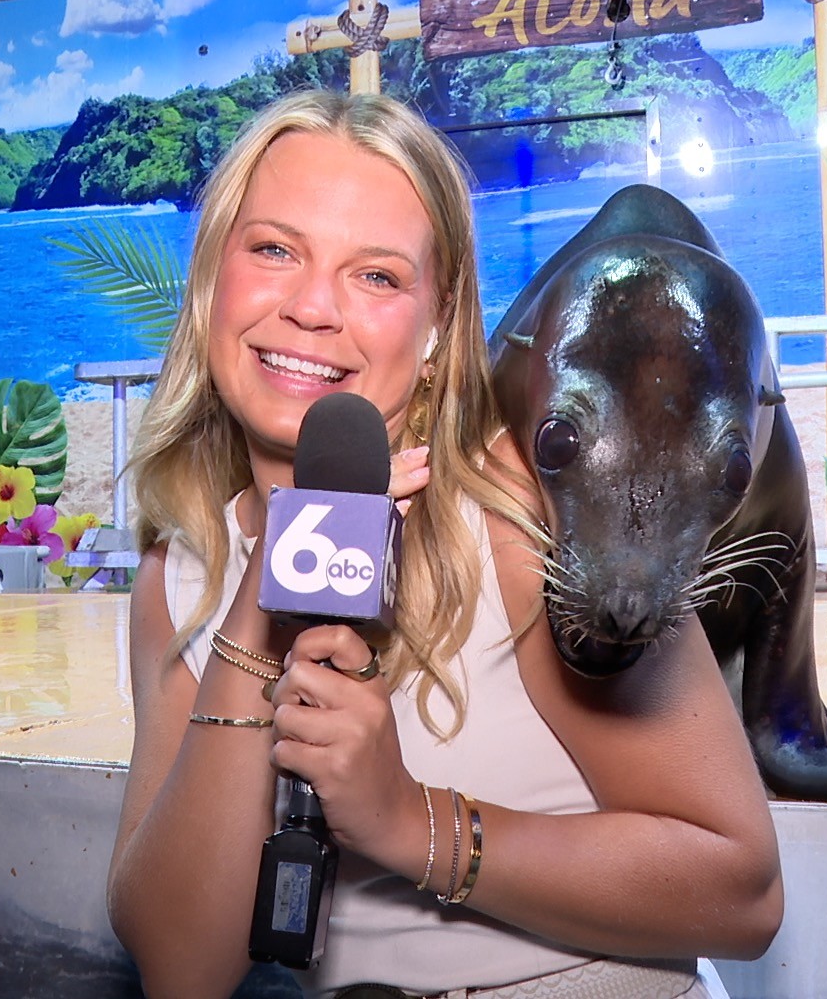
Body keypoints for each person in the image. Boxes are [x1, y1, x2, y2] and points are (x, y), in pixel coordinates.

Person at [107, 89, 782, 999]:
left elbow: (741, 892)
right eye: (273, 250)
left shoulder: (518, 510)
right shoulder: (179, 571)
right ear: (209, 282)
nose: (313, 308)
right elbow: (184, 972)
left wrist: (409, 822)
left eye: (376, 275)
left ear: (436, 326)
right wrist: (253, 616)